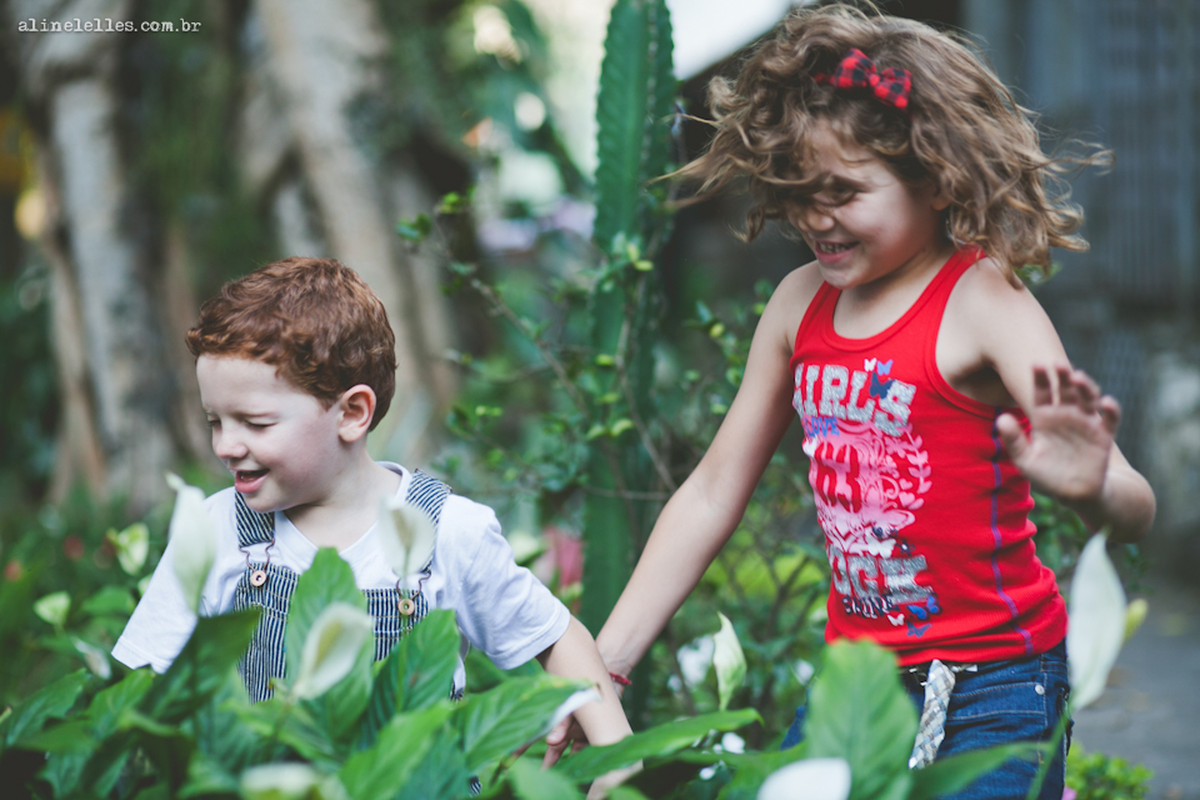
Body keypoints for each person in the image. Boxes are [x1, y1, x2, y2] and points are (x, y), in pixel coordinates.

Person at [549, 4, 1156, 799]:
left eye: (841, 191)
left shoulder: (982, 301)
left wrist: (1092, 486)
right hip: (858, 683)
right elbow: (708, 492)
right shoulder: (798, 306)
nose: (813, 216)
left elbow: (1135, 504)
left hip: (997, 684)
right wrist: (608, 663)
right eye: (797, 191)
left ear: (933, 178)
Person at [113, 257, 634, 796]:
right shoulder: (221, 528)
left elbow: (555, 635)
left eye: (256, 423)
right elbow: (144, 679)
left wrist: (617, 758)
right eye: (215, 421)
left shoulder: (449, 533)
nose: (226, 445)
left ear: (351, 413)